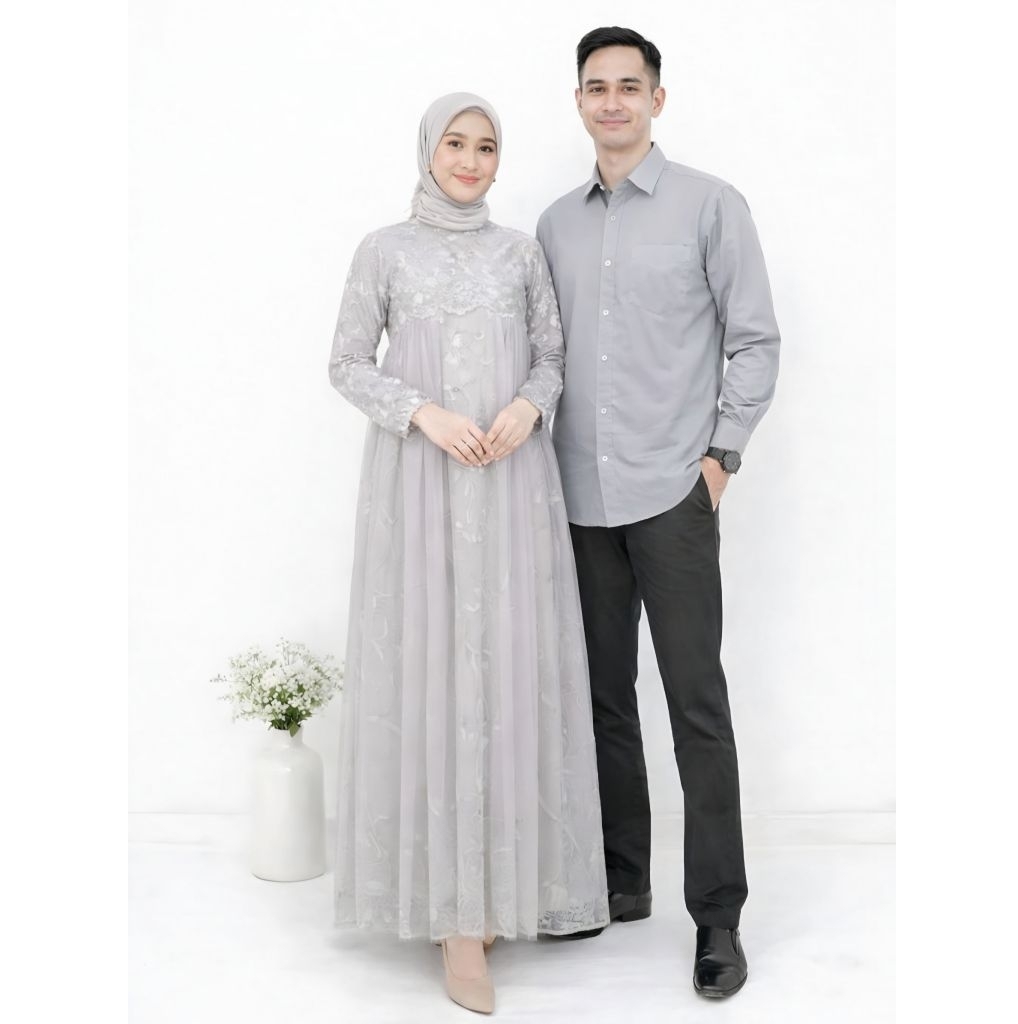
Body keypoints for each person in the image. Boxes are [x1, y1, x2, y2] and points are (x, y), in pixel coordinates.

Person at [328, 92, 609, 1015]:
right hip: (419, 486)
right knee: (434, 669)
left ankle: (492, 887)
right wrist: (424, 414)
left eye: (486, 147)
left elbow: (552, 358)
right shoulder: (384, 250)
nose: (471, 160)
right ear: (428, 150)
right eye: (456, 143)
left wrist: (527, 407)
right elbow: (346, 362)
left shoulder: (520, 252)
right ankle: (453, 916)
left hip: (511, 485)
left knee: (504, 673)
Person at [537, 27, 781, 999]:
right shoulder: (554, 224)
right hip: (578, 497)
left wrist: (719, 459)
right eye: (595, 87)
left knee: (695, 706)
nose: (612, 101)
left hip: (673, 494)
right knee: (601, 700)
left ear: (657, 100)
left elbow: (754, 339)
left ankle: (717, 918)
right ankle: (621, 879)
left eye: (628, 87)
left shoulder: (710, 205)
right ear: (579, 101)